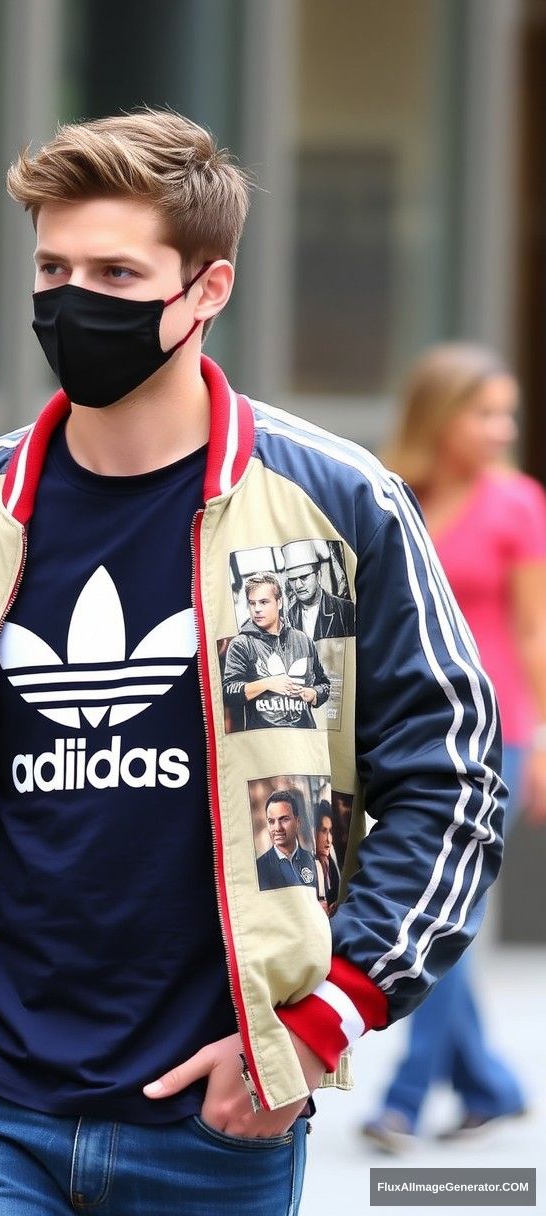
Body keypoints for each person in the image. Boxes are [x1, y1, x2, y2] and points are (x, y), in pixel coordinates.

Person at [0, 112, 504, 1216]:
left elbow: (449, 780)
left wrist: (322, 1017)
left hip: (213, 1125)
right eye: (52, 266)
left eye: (115, 270)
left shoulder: (335, 508)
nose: (71, 298)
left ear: (207, 288)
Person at [361, 342, 546, 1153]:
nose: (504, 429)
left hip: (495, 735)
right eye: (486, 412)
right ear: (439, 417)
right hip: (401, 732)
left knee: (443, 909)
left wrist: (542, 738)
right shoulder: (388, 492)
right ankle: (492, 1087)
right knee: (442, 915)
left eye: (509, 412)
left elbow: (536, 633)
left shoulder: (518, 505)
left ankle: (400, 1102)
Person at [222, 572, 330, 729]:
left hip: (304, 740)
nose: (257, 609)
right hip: (265, 742)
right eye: (252, 603)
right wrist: (267, 683)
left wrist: (314, 694)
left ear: (279, 602)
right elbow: (228, 693)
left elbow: (324, 684)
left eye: (264, 602)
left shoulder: (303, 640)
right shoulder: (241, 644)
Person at [282, 541, 355, 640]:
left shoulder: (346, 610)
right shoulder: (287, 618)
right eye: (292, 579)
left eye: (304, 577)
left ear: (318, 575)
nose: (298, 585)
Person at [256, 789, 317, 891]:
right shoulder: (260, 868)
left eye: (284, 819)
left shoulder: (311, 860)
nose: (277, 828)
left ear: (297, 822)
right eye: (271, 821)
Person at [313, 804, 341, 914]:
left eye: (331, 832)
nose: (329, 839)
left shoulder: (332, 864)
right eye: (323, 831)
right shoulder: (307, 865)